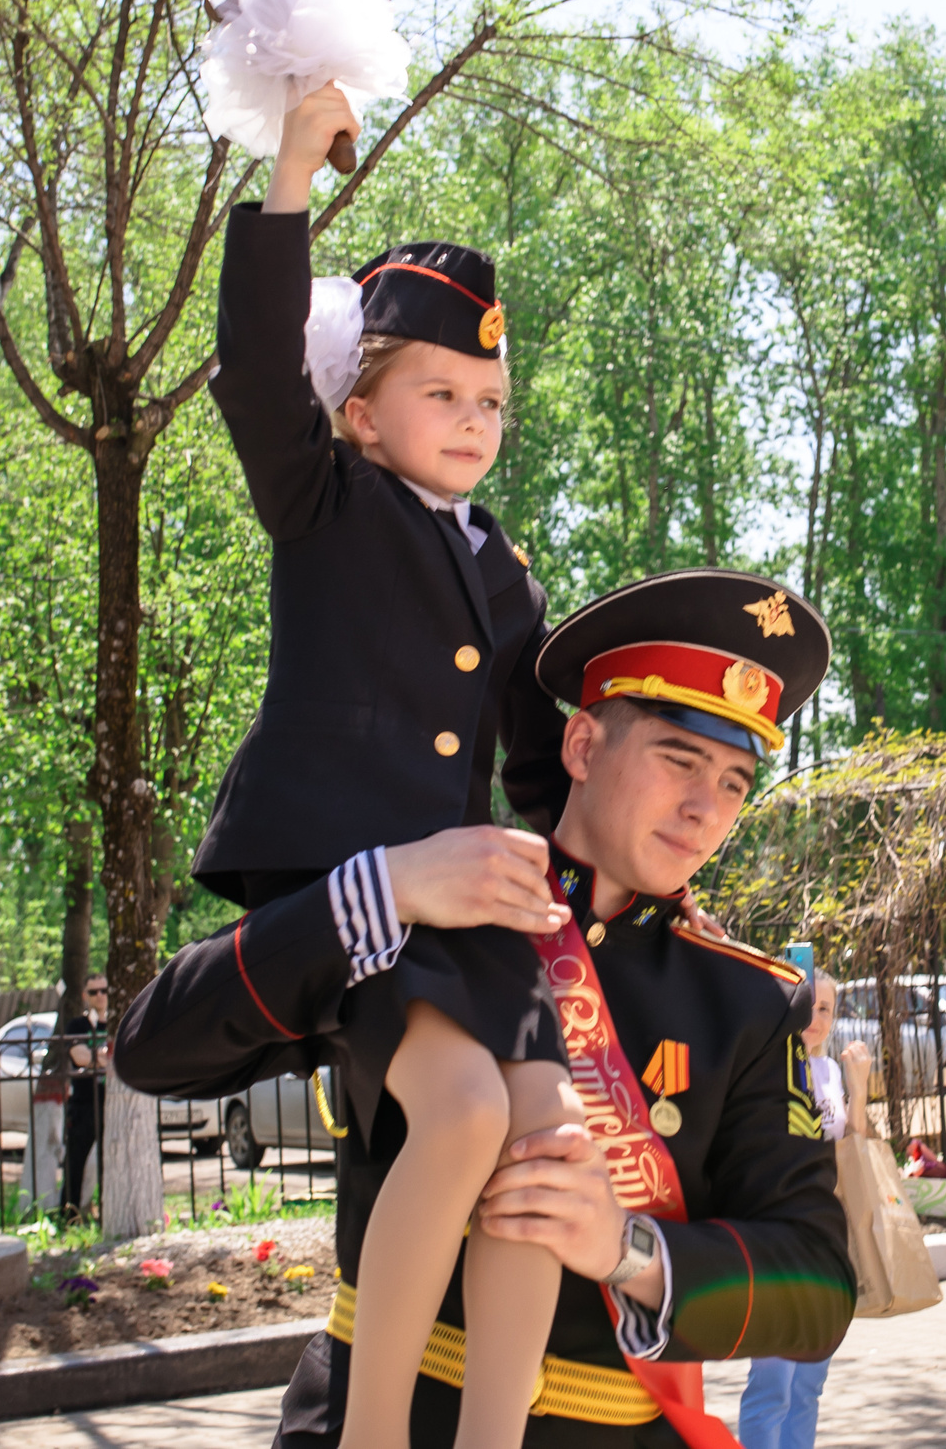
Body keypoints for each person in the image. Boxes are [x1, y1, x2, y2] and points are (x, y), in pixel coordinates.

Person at [116, 567, 855, 1448]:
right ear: (581, 746)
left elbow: (817, 1287)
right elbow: (154, 1048)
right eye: (679, 759)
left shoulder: (746, 997)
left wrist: (627, 1247)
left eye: (735, 782)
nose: (705, 809)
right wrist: (380, 889)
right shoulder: (437, 899)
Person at [194, 82, 586, 1449]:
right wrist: (291, 170)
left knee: (548, 1139)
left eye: (492, 397)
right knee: (466, 1105)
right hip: (360, 890)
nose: (475, 417)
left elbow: (542, 766)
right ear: (360, 410)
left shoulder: (502, 565)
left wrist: (611, 825)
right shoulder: (326, 497)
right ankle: (372, 1430)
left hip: (474, 909)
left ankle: (492, 1434)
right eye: (441, 391)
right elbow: (251, 367)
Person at [737, 971, 865, 1449]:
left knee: (808, 1384)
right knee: (773, 1384)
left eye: (826, 1009)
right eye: (809, 1005)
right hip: (777, 1236)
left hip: (824, 1240)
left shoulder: (830, 1073)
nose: (816, 1018)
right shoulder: (765, 1069)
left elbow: (855, 1151)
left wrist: (860, 1086)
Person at [58, 972, 109, 1222]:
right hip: (84, 1105)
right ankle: (69, 1216)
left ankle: (108, 1215)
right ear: (85, 996)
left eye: (103, 990)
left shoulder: (118, 1022)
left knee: (110, 1164)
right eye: (93, 992)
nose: (99, 996)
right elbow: (79, 1057)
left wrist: (96, 1057)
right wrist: (104, 1056)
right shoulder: (77, 1025)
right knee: (75, 1164)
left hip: (111, 1104)